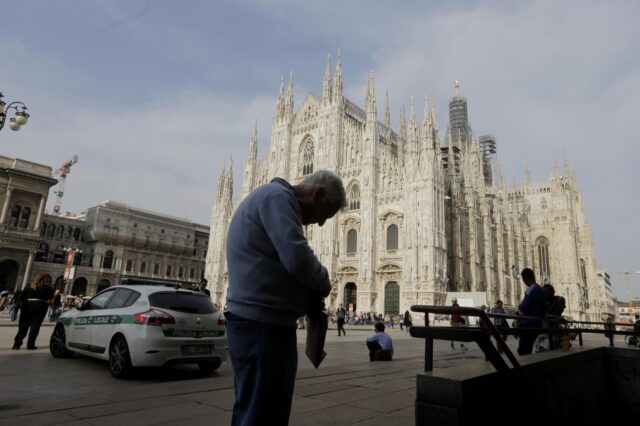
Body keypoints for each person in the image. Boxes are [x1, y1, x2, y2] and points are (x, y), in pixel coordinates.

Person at [225, 170, 346, 426]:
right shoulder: (277, 198)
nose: (321, 224)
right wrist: (324, 283)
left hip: (266, 325)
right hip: (260, 327)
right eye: (325, 214)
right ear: (317, 193)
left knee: (263, 410)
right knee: (261, 412)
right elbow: (297, 258)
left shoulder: (274, 199)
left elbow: (278, 267)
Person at [13, 273, 54, 350]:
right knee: (35, 326)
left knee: (23, 326)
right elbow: (51, 298)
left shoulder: (30, 285)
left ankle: (17, 344)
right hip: (40, 306)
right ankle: (30, 344)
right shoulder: (47, 287)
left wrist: (25, 304)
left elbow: (22, 296)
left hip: (27, 306)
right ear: (44, 279)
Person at [516, 268, 546, 355]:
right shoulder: (540, 289)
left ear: (525, 278)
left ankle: (526, 367)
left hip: (528, 323)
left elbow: (523, 308)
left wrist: (519, 309)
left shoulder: (531, 289)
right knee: (527, 349)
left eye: (523, 279)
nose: (524, 282)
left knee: (523, 350)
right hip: (537, 323)